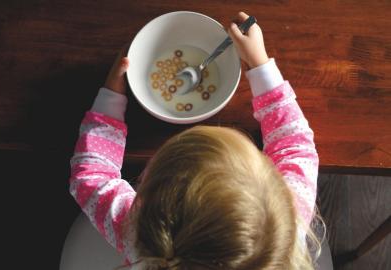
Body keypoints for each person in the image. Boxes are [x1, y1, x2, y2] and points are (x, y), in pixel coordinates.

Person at [69, 11, 323, 269]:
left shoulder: (138, 232)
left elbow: (91, 175)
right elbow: (294, 146)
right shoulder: (288, 224)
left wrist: (111, 96)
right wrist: (259, 64)